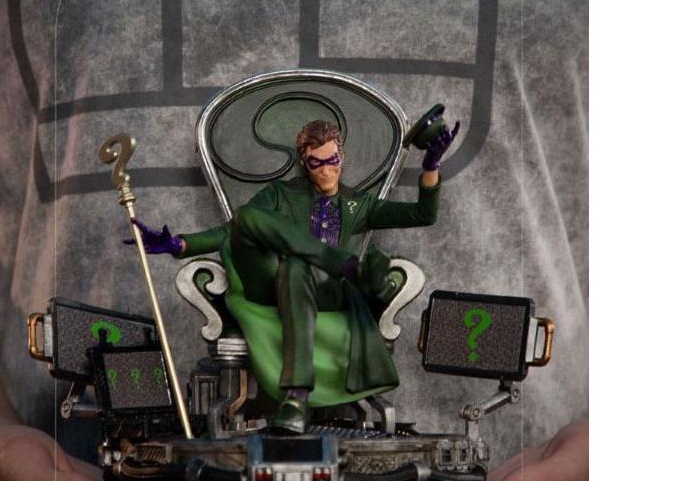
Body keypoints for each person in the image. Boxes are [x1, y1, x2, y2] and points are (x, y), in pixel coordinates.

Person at [128, 118, 458, 433]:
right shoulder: (281, 194)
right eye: (317, 163)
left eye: (332, 160)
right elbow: (232, 230)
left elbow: (423, 214)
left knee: (297, 266)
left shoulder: (358, 205)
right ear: (304, 163)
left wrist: (431, 165)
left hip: (325, 291)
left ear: (342, 158)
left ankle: (296, 398)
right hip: (273, 284)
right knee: (248, 218)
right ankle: (346, 266)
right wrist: (180, 244)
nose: (326, 170)